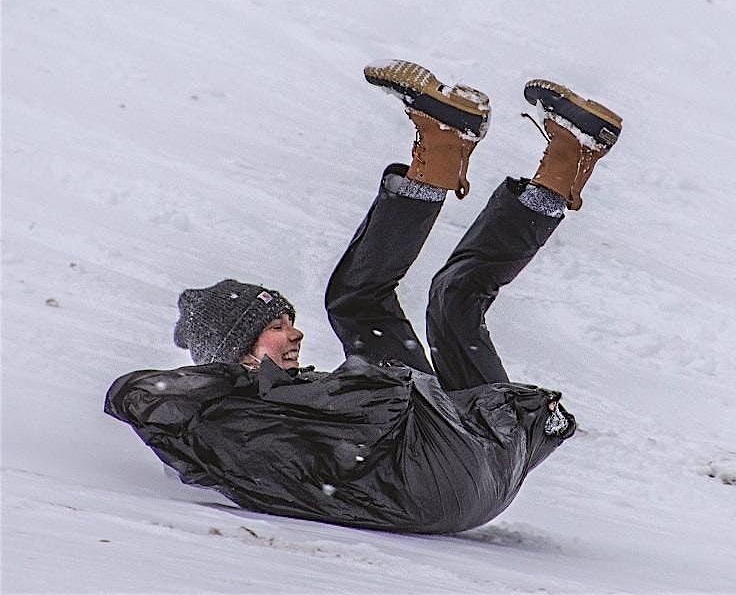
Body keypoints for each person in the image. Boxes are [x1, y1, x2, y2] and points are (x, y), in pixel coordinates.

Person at [105, 60, 622, 534]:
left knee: (455, 300)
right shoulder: (222, 421)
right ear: (236, 345)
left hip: (480, 465)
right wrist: (238, 374)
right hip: (429, 476)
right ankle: (445, 149)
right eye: (276, 326)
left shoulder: (283, 407)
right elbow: (135, 393)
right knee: (356, 303)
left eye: (289, 321)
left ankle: (564, 161)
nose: (296, 333)